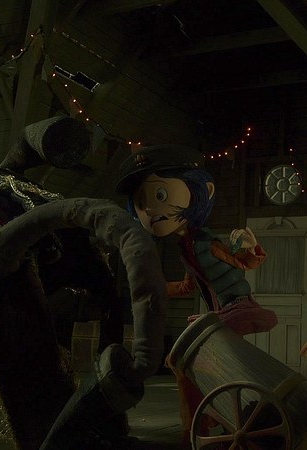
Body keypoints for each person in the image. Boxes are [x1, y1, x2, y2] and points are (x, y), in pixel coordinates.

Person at [115, 144, 278, 442]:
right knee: (184, 363)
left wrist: (250, 248)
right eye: (140, 203)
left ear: (202, 190)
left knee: (186, 361)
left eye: (160, 195)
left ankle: (202, 423)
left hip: (238, 309)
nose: (150, 210)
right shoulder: (186, 247)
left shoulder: (205, 242)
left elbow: (243, 261)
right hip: (221, 313)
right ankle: (206, 419)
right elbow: (188, 286)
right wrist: (154, 285)